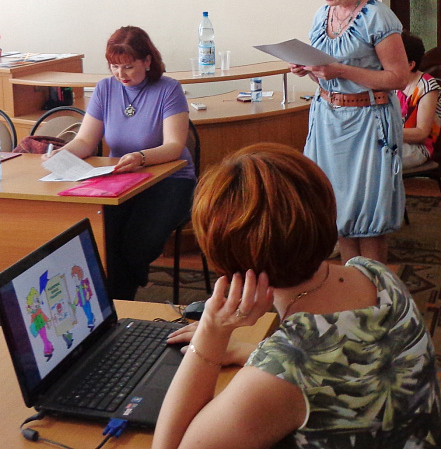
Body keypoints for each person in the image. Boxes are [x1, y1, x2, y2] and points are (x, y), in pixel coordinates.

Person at [153, 142, 441, 449]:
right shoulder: (376, 274)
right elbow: (344, 364)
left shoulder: (282, 375)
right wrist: (248, 352)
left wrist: (211, 333)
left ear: (225, 258)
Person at [46, 26, 196, 300]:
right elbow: (85, 141)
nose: (120, 74)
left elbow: (175, 146)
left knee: (137, 244)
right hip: (122, 179)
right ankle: (118, 299)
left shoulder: (168, 89)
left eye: (128, 66)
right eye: (114, 67)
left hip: (170, 179)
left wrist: (141, 157)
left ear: (147, 61)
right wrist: (61, 154)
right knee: (103, 236)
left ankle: (119, 298)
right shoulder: (105, 89)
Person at [290, 0, 410, 264]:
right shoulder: (322, 15)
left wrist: (339, 69)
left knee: (368, 211)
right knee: (336, 207)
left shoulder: (378, 17)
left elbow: (398, 78)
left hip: (368, 120)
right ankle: (351, 283)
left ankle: (373, 287)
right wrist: (309, 69)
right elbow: (327, 76)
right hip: (328, 118)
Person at [397, 30, 441, 169]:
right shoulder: (393, 83)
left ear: (410, 64)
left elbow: (421, 133)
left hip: (417, 149)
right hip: (393, 142)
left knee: (371, 156)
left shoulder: (427, 86)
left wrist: (385, 133)